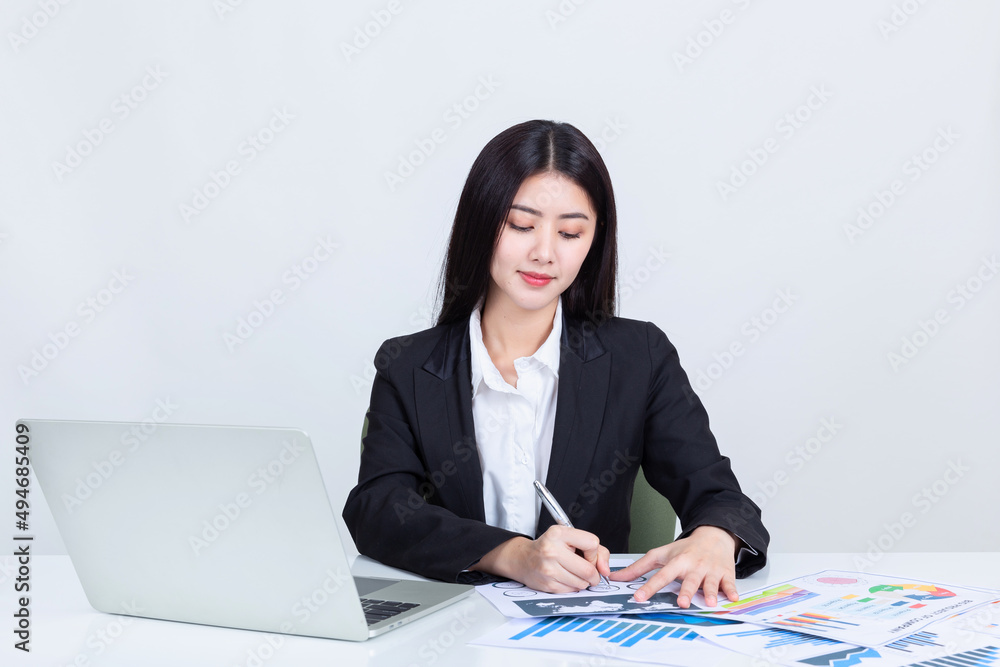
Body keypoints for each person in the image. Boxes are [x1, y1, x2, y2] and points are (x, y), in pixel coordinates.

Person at [343, 119, 769, 608]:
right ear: (480, 222)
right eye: (521, 225)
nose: (544, 253)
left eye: (569, 232)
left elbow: (720, 496)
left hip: (590, 627)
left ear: (593, 241)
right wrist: (512, 555)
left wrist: (715, 536)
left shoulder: (639, 356)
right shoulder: (408, 365)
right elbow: (378, 508)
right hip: (453, 624)